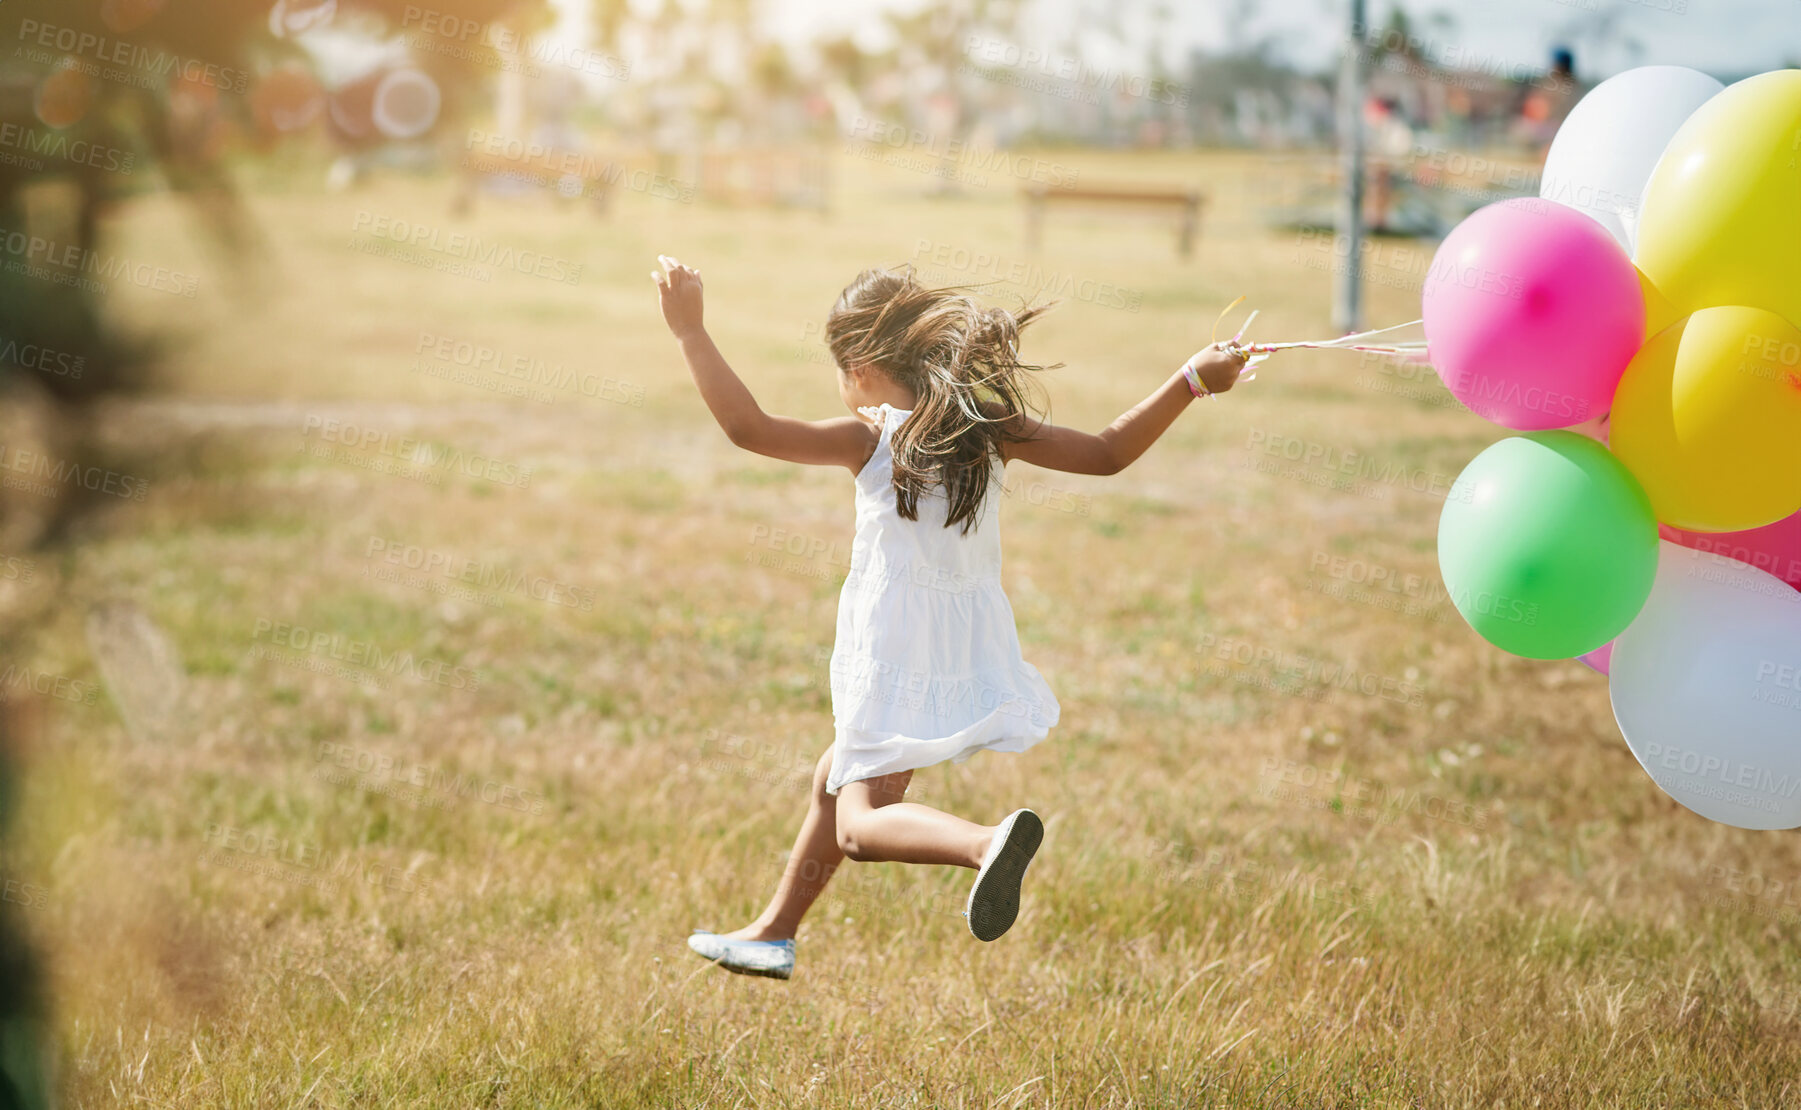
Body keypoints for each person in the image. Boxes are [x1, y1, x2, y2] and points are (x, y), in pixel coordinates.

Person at [652, 256, 1248, 979]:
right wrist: (1189, 379)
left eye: (838, 371)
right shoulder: (986, 429)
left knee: (862, 827)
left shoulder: (866, 439)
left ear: (864, 366)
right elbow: (1107, 452)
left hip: (891, 643)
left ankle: (982, 845)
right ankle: (773, 932)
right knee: (834, 777)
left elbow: (748, 428)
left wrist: (690, 331)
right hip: (961, 642)